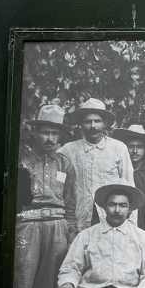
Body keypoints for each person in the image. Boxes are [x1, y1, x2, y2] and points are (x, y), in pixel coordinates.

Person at [12, 104, 77, 288]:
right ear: (35, 133)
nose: (49, 138)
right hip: (28, 227)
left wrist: (70, 232)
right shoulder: (23, 160)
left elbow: (71, 202)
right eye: (45, 132)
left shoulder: (64, 163)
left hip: (58, 228)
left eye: (54, 133)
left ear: (60, 136)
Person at [58, 98, 134, 232]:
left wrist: (131, 224)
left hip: (111, 217)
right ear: (80, 124)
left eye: (97, 121)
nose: (93, 126)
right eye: (88, 121)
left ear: (104, 123)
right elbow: (58, 186)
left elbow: (129, 186)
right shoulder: (67, 151)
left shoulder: (118, 148)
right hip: (78, 218)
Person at [111, 124, 145, 234]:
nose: (135, 151)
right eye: (131, 146)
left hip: (144, 228)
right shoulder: (115, 173)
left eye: (139, 147)